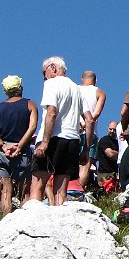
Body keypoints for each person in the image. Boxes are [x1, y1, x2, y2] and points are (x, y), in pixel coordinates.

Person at [32, 56, 92, 206]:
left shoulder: (51, 84)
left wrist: (45, 142)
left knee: (37, 186)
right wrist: (86, 149)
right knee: (61, 191)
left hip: (53, 137)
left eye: (43, 72)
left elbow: (52, 112)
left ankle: (33, 224)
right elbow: (89, 119)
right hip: (72, 139)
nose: (44, 77)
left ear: (52, 67)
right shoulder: (76, 88)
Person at [0, 74, 38, 214]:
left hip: (2, 152)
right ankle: (24, 220)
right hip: (21, 151)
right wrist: (19, 146)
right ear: (20, 87)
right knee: (24, 191)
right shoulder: (30, 104)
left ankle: (5, 219)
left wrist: (3, 146)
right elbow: (32, 127)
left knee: (5, 189)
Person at [78, 71, 106, 187]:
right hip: (91, 132)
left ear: (82, 79)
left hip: (74, 130)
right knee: (86, 164)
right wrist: (87, 123)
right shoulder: (99, 92)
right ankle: (78, 191)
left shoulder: (75, 89)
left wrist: (80, 123)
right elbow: (97, 112)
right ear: (96, 80)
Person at [95, 121, 120, 187]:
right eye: (110, 129)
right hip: (105, 174)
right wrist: (121, 154)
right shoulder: (104, 140)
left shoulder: (118, 143)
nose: (112, 131)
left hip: (115, 174)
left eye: (114, 130)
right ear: (107, 129)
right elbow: (110, 154)